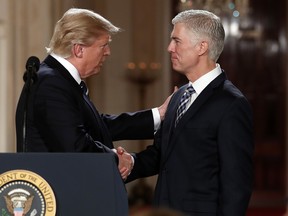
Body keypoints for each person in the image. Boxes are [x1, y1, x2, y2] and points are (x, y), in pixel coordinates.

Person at [15, 8, 170, 180]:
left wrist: (158, 115)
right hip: (62, 196)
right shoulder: (52, 84)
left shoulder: (59, 78)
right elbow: (75, 146)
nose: (108, 52)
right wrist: (118, 159)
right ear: (79, 49)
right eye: (103, 45)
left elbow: (96, 126)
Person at [126, 9, 254, 216]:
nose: (169, 48)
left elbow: (236, 185)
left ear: (202, 47)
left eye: (177, 41)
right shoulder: (178, 96)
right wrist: (130, 163)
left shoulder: (232, 104)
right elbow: (163, 155)